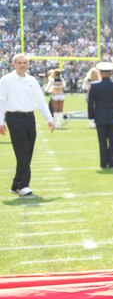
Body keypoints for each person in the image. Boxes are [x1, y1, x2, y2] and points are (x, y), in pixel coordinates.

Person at [0, 54, 55, 196]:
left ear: (28, 65)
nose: (22, 65)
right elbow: (1, 102)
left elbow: (41, 101)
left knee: (28, 152)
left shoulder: (32, 80)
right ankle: (24, 185)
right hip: (14, 118)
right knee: (22, 152)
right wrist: (1, 122)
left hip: (29, 118)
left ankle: (16, 183)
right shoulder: (6, 80)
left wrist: (49, 119)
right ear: (14, 64)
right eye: (19, 63)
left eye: (25, 63)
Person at [86, 61, 113, 169]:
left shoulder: (94, 86)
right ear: (111, 72)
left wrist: (91, 117)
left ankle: (103, 163)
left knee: (102, 142)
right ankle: (111, 163)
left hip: (100, 117)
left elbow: (90, 103)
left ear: (99, 72)